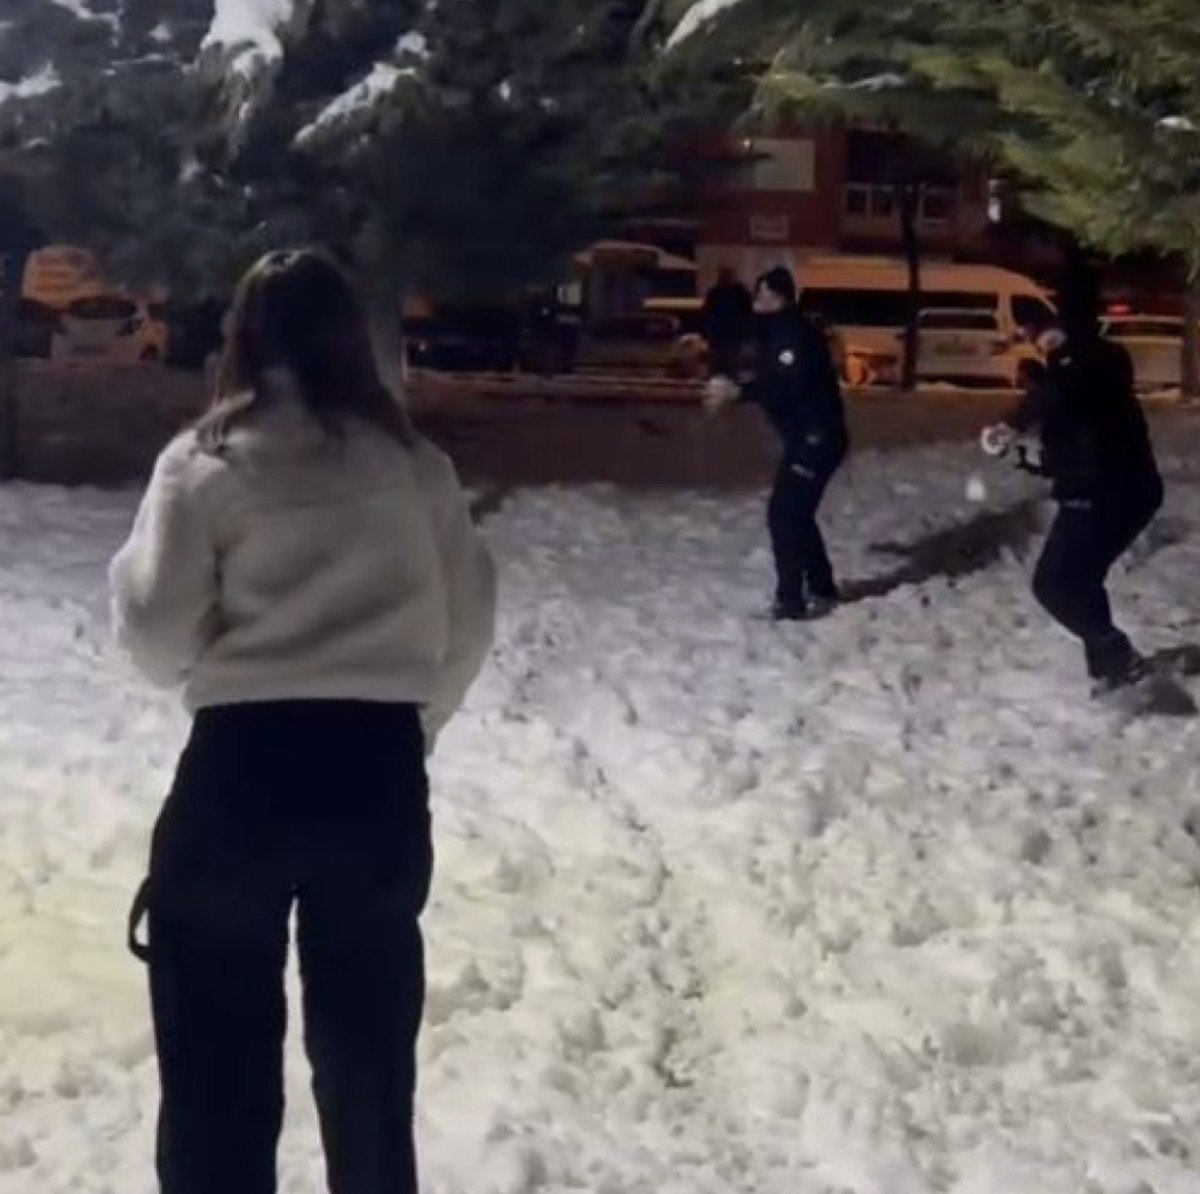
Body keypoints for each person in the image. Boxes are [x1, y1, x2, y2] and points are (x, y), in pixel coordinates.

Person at [111, 248, 496, 1194]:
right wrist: (410, 724)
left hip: (241, 771)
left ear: (240, 338)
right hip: (374, 774)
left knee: (215, 1064)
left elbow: (155, 630)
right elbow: (466, 624)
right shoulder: (415, 467)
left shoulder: (205, 464)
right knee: (369, 1065)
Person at [981, 267, 1163, 694]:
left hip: (1111, 493)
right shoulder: (1079, 366)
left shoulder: (1092, 360)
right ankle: (1112, 671)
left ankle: (1119, 657)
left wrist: (1011, 424)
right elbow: (1077, 426)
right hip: (1110, 488)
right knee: (1080, 580)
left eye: (1039, 331)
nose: (1036, 341)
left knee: (1055, 584)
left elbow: (1059, 391)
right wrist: (1039, 460)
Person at [706, 266, 849, 621]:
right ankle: (821, 586)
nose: (759, 302)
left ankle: (791, 600)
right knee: (796, 512)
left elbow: (788, 385)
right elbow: (759, 365)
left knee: (784, 515)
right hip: (809, 437)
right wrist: (732, 381)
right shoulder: (773, 331)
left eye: (766, 296)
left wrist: (741, 392)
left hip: (817, 438)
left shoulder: (791, 332)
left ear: (781, 299)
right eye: (758, 295)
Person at [701, 265, 753, 378]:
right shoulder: (738, 293)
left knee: (725, 367)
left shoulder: (717, 293)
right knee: (727, 367)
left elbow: (706, 314)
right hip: (727, 338)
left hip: (726, 338)